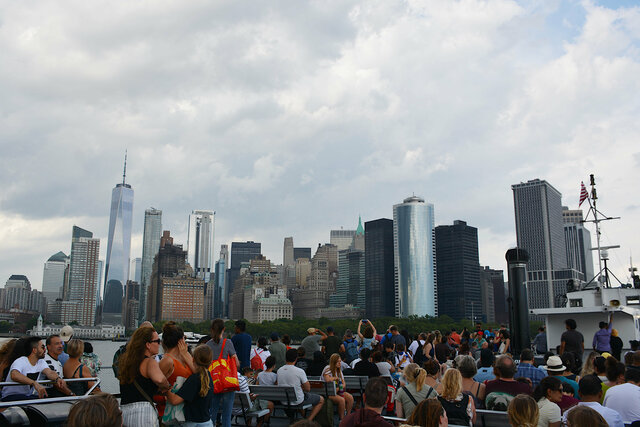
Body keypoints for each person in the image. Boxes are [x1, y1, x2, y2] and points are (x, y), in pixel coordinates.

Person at [119, 326, 170, 426]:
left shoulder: (126, 363)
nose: (159, 344)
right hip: (143, 413)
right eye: (157, 341)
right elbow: (159, 379)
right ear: (148, 345)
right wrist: (166, 386)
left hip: (124, 412)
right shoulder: (149, 362)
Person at [1, 336, 69, 401]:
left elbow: (49, 372)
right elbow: (14, 375)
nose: (45, 350)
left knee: (46, 400)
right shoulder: (21, 361)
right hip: (11, 396)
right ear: (34, 350)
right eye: (42, 347)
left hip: (26, 396)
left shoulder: (41, 362)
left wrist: (57, 378)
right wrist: (34, 383)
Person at [166, 345, 215, 427]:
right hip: (207, 422)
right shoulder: (208, 378)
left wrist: (168, 388)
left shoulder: (194, 379)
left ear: (193, 359)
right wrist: (184, 354)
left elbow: (174, 400)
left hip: (192, 423)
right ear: (210, 362)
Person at [157, 321, 195, 418]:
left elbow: (199, 375)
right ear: (181, 340)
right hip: (170, 414)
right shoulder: (167, 361)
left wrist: (186, 354)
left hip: (186, 413)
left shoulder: (185, 358)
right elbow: (154, 387)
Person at [206, 318, 239, 427]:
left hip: (213, 382)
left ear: (212, 329)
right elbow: (236, 363)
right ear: (223, 329)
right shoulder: (228, 343)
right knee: (226, 416)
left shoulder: (208, 345)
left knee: (212, 413)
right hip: (227, 382)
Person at [277, 348, 324, 422]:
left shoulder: (279, 370)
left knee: (300, 394)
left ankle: (302, 419)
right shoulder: (299, 371)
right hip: (297, 401)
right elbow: (308, 389)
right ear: (296, 358)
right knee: (321, 399)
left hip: (284, 401)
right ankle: (308, 420)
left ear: (285, 358)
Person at [322, 353, 354, 421]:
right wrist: (335, 378)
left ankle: (347, 417)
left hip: (337, 390)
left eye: (340, 361)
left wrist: (339, 387)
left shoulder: (339, 370)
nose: (340, 363)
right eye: (338, 362)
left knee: (350, 397)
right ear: (333, 362)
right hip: (328, 392)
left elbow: (343, 383)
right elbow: (327, 379)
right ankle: (342, 420)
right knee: (341, 400)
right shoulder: (328, 368)